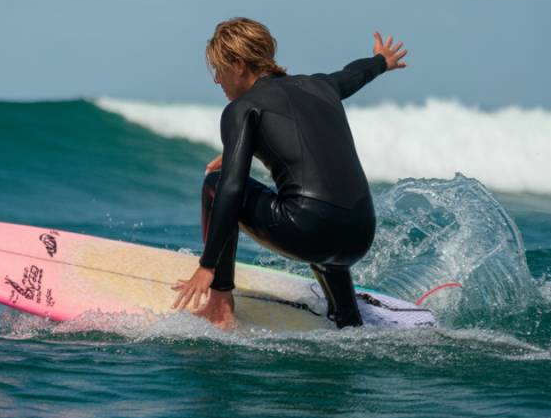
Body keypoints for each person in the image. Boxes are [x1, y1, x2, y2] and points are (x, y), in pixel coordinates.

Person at [171, 17, 408, 328]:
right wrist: (381, 61)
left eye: (219, 69)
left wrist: (208, 266)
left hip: (307, 230)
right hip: (360, 234)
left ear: (239, 65)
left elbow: (231, 188)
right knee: (326, 222)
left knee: (214, 184)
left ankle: (220, 303)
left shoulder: (241, 109)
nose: (217, 80)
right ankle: (348, 319)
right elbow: (354, 75)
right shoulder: (321, 85)